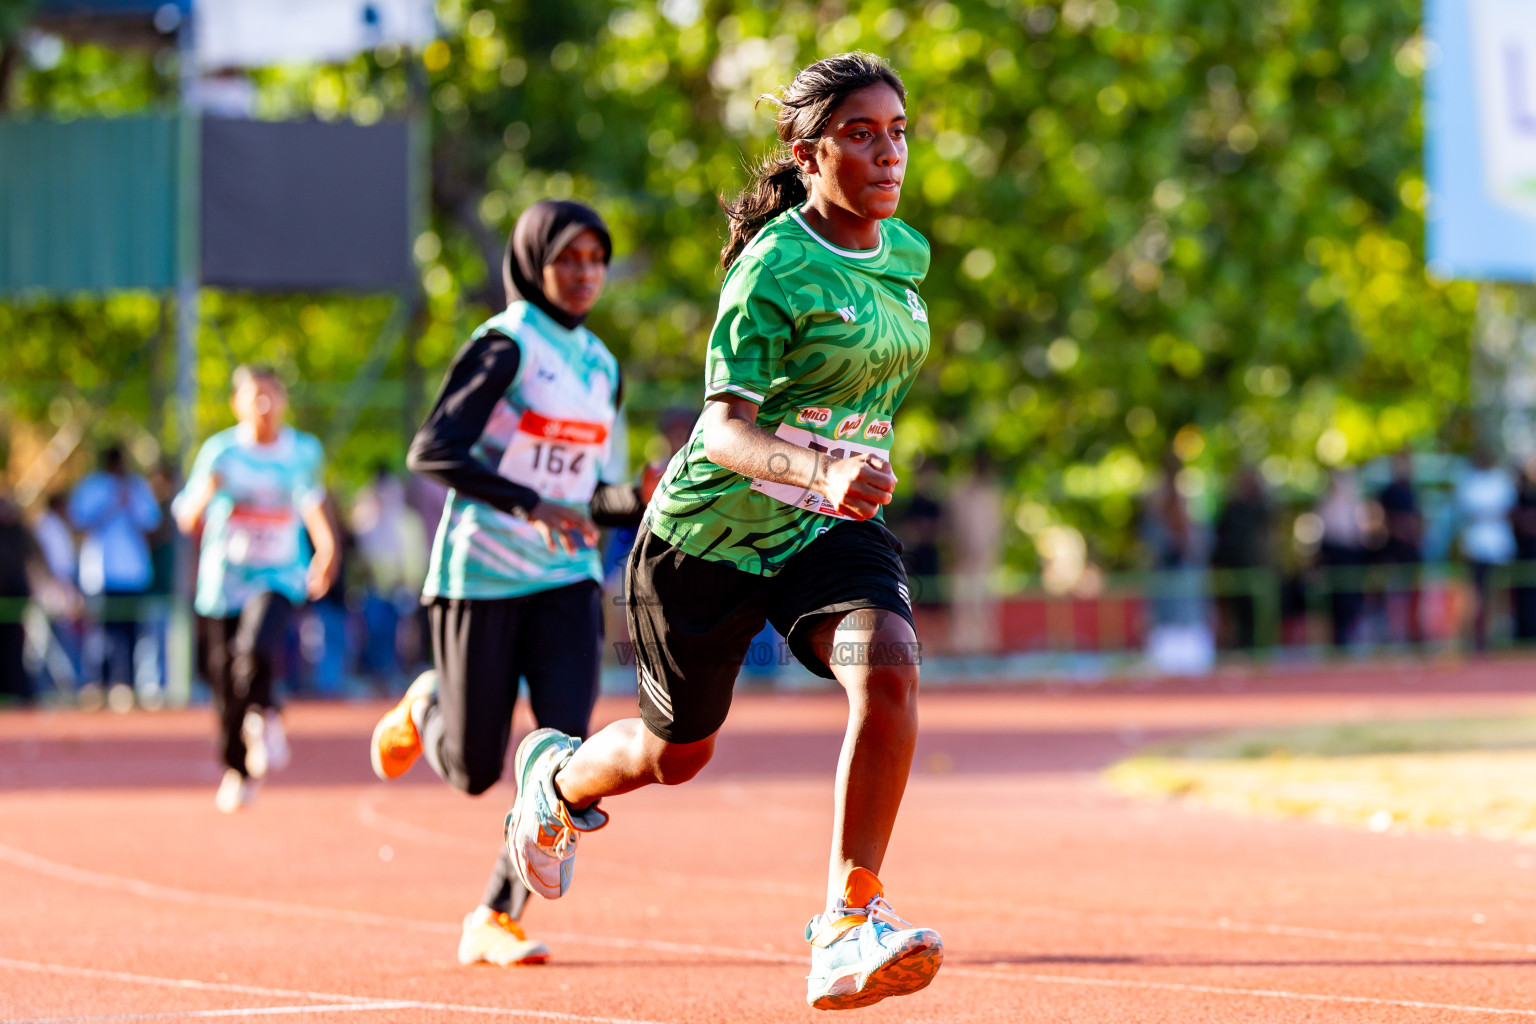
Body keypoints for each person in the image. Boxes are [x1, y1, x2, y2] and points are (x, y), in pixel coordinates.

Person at [501, 54, 943, 1011]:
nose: (888, 152)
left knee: (890, 666)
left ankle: (848, 921)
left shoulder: (905, 254)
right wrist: (822, 467)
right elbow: (721, 431)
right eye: (860, 134)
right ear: (808, 154)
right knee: (677, 755)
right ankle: (559, 780)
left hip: (824, 533)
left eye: (898, 132)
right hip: (707, 540)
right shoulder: (773, 267)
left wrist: (841, 472)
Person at [369, 200, 658, 969]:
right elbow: (433, 451)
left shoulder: (602, 366)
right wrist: (531, 503)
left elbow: (592, 494)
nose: (586, 273)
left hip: (565, 579)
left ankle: (495, 914)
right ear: (533, 264)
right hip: (482, 576)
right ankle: (427, 703)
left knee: (561, 759)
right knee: (473, 769)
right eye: (568, 259)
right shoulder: (506, 345)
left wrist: (640, 495)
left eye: (597, 259)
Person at [172, 366, 337, 812]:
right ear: (237, 404)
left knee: (257, 645)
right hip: (224, 582)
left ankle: (266, 712)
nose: (264, 405)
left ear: (283, 400)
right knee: (225, 682)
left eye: (272, 395)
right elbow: (187, 516)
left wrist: (326, 550)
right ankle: (238, 768)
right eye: (254, 397)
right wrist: (207, 495)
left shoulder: (302, 452)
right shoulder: (221, 453)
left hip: (278, 574)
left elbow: (312, 504)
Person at [69, 445, 161, 702]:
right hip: (100, 574)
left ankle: (125, 684)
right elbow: (79, 521)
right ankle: (97, 683)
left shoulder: (137, 486)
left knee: (131, 632)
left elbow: (151, 522)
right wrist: (111, 504)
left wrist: (129, 502)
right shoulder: (92, 486)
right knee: (99, 632)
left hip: (133, 575)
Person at [1455, 447, 1517, 651]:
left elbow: (1507, 510)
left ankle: (1496, 635)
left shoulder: (1500, 480)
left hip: (1498, 546)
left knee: (1497, 592)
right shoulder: (1469, 480)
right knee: (1475, 593)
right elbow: (1467, 511)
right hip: (1476, 546)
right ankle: (1473, 637)